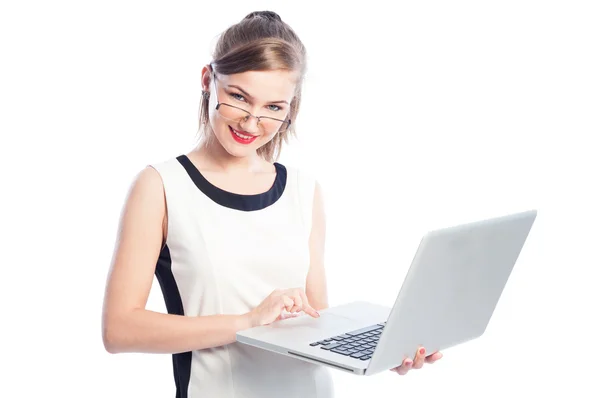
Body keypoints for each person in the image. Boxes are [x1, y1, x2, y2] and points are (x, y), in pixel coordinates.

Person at [101, 10, 442, 398]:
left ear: (290, 108)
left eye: (274, 108)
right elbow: (120, 329)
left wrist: (386, 350)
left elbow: (317, 320)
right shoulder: (161, 186)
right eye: (238, 97)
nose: (251, 123)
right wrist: (248, 321)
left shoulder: (303, 189)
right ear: (208, 81)